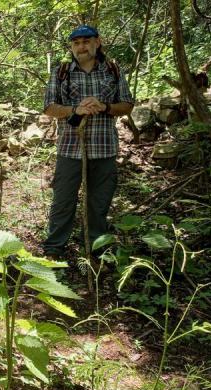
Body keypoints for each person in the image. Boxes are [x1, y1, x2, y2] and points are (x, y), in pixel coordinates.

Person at [41, 24, 134, 259]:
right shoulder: (61, 72)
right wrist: (76, 109)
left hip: (104, 148)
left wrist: (104, 107)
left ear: (97, 42)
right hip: (70, 149)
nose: (81, 47)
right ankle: (54, 250)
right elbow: (49, 107)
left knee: (99, 203)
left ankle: (97, 249)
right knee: (63, 201)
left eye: (86, 41)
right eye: (76, 43)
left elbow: (127, 105)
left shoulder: (112, 70)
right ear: (71, 47)